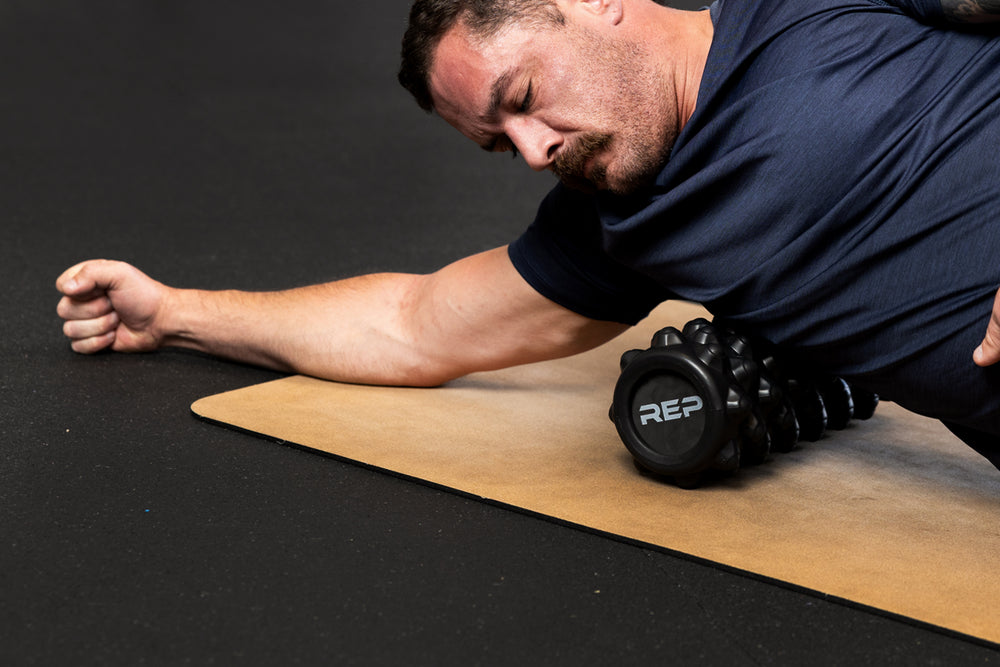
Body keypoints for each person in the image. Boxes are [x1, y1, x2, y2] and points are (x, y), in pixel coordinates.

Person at [56, 0, 1000, 467]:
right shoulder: (621, 224)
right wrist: (176, 313)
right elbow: (414, 324)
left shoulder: (822, 8)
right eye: (500, 146)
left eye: (523, 99)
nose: (536, 148)